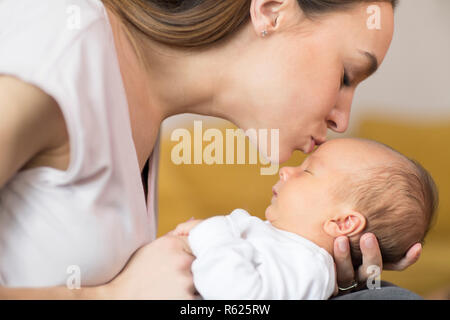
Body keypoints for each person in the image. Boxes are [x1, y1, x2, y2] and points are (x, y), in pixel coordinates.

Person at [0, 0, 422, 299]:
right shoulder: (62, 52)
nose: (341, 120)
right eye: (347, 75)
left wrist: (308, 278)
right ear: (272, 10)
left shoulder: (144, 111)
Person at [171, 138, 438, 299]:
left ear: (342, 222)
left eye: (307, 171)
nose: (287, 171)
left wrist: (210, 233)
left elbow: (239, 297)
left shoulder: (305, 266)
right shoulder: (285, 245)